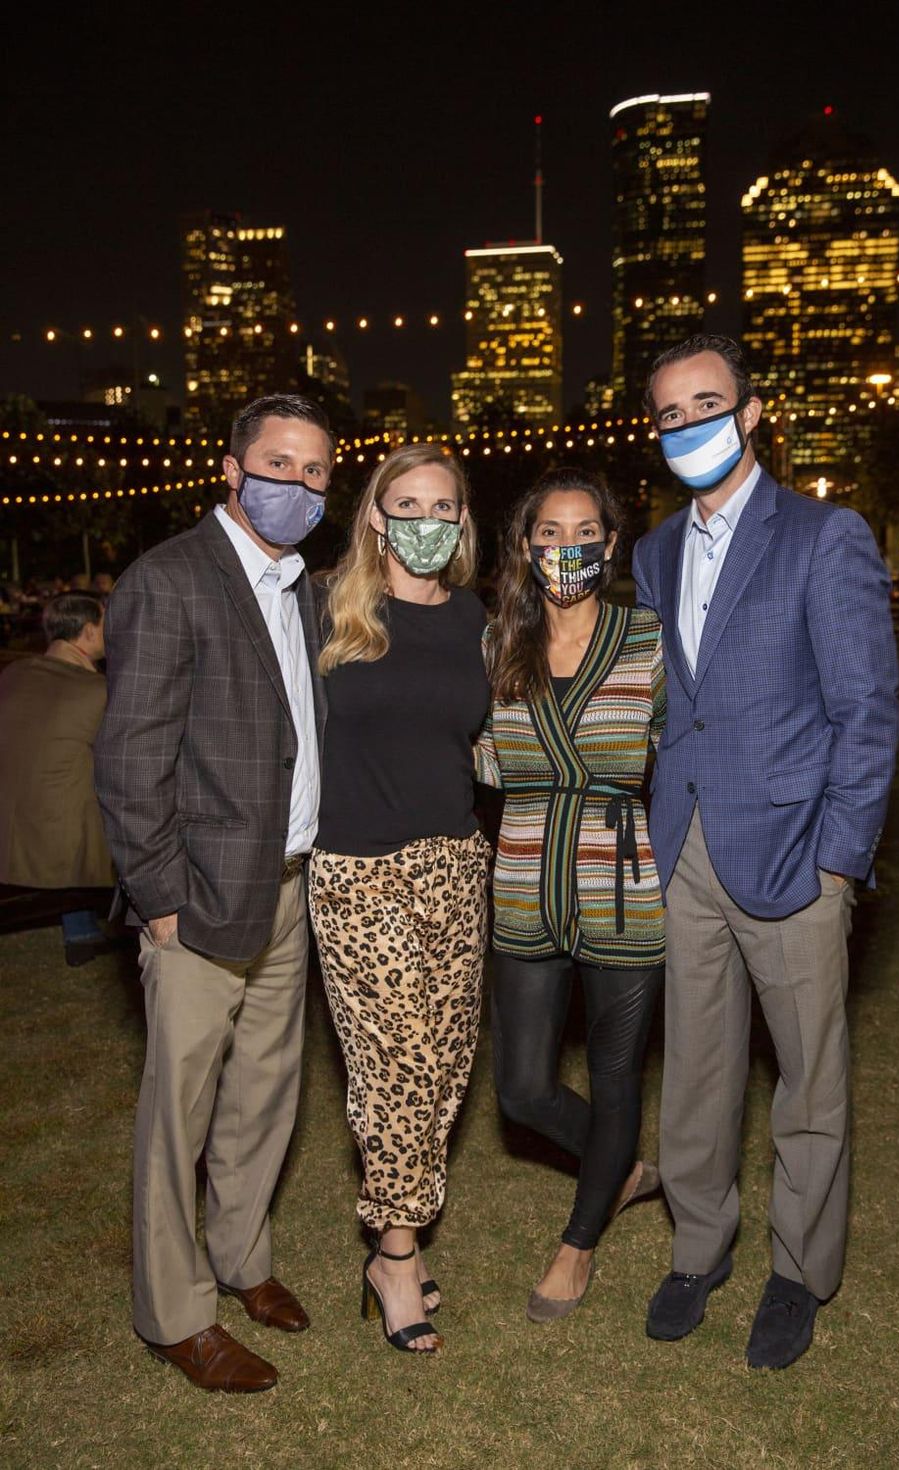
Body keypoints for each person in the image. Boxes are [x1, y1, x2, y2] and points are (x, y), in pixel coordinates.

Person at [632, 334, 899, 1370]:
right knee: (695, 1070)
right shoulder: (652, 551)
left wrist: (838, 857)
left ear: (750, 413)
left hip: (791, 847)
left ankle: (797, 1270)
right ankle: (697, 1248)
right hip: (683, 845)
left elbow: (865, 712)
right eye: (667, 413)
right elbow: (663, 705)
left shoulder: (822, 535)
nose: (686, 425)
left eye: (705, 404)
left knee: (805, 1076)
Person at [94, 394, 333, 1393]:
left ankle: (242, 1261)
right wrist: (157, 895)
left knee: (264, 1093)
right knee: (179, 1111)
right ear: (231, 471)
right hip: (197, 894)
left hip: (288, 886)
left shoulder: (304, 587)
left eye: (316, 471)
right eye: (278, 466)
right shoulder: (171, 579)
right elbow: (129, 752)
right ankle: (175, 1311)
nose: (298, 486)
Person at [308, 442, 491, 1355]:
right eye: (406, 503)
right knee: (397, 1063)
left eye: (443, 506)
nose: (425, 520)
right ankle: (395, 1253)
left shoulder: (474, 620)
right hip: (353, 869)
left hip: (455, 863)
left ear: (461, 520)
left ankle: (398, 1233)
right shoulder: (329, 609)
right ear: (375, 514)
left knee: (449, 1058)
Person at [477, 467, 666, 1323]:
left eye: (584, 531)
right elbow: (478, 756)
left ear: (611, 544)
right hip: (522, 883)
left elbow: (678, 753)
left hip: (624, 887)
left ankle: (577, 1245)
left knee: (617, 1070)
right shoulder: (496, 648)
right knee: (521, 1089)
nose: (567, 548)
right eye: (549, 533)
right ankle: (618, 1164)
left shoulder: (649, 639)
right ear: (525, 546)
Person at [0, 592, 117, 964]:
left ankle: (80, 928)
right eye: (104, 623)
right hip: (59, 845)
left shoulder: (14, 674)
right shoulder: (97, 692)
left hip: (9, 831)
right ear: (87, 632)